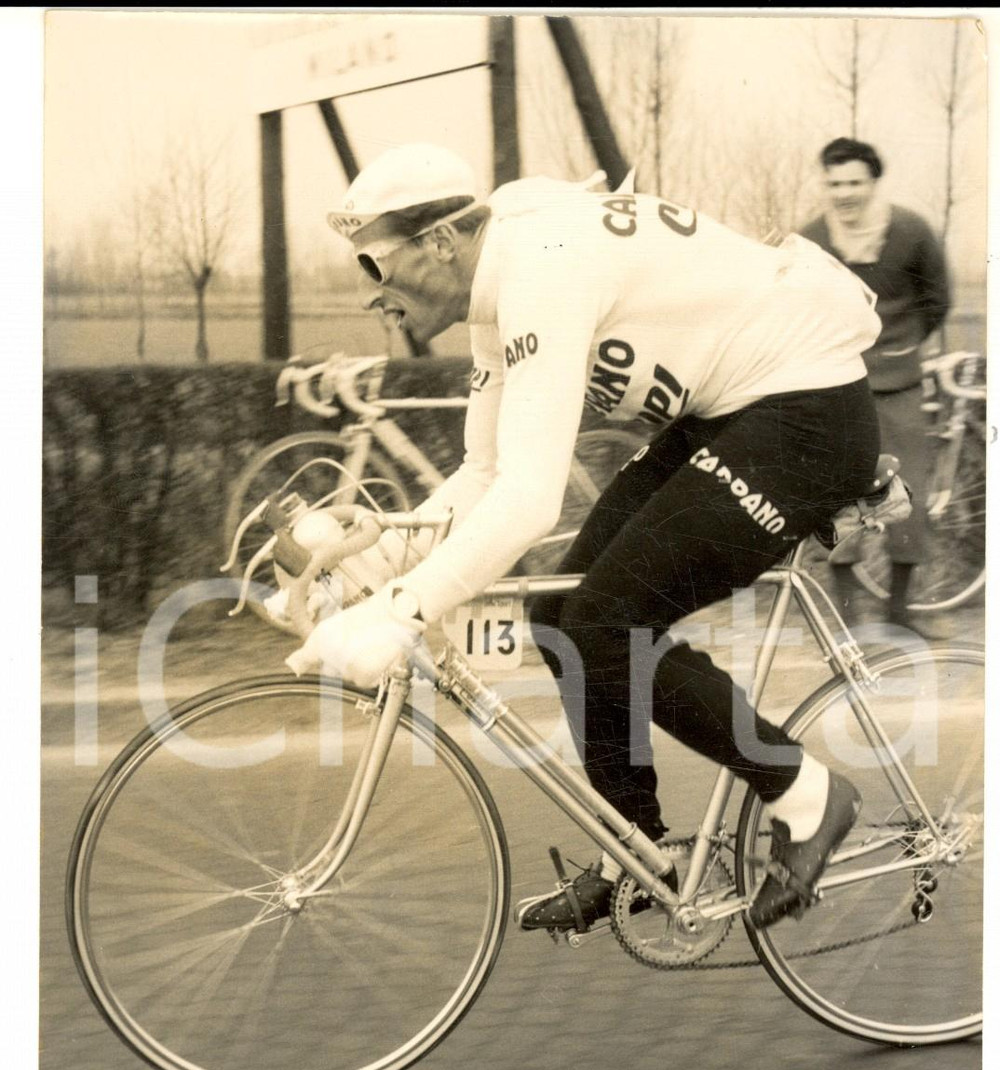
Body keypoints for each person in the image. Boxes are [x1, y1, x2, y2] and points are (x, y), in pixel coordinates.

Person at [289, 142, 884, 932]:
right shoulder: (497, 289)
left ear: (440, 241)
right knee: (561, 618)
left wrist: (399, 614)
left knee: (610, 622)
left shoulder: (543, 268)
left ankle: (807, 794)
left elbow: (531, 501)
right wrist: (387, 553)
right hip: (731, 413)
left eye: (371, 265)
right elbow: (485, 471)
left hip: (804, 416)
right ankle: (633, 844)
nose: (372, 296)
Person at [799, 137, 951, 634]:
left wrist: (901, 349)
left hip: (900, 383)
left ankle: (900, 611)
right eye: (835, 182)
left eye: (855, 182)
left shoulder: (909, 231)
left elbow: (937, 299)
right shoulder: (813, 239)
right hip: (838, 383)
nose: (844, 193)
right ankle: (845, 617)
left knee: (909, 495)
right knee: (842, 495)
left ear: (873, 182)